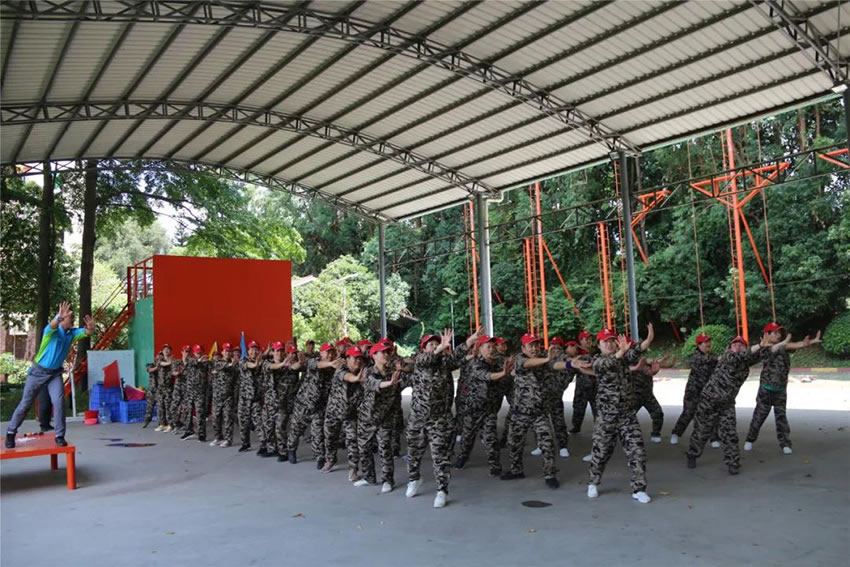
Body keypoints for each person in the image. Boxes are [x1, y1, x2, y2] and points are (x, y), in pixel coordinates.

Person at [6, 302, 94, 448]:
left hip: (54, 374)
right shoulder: (51, 331)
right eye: (70, 317)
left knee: (58, 403)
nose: (72, 319)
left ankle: (59, 436)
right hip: (37, 372)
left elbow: (87, 332)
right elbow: (52, 325)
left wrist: (91, 328)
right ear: (62, 319)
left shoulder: (71, 334)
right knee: (25, 404)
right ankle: (11, 433)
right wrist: (59, 317)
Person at [406, 329, 477, 508]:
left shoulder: (445, 363)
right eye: (430, 344)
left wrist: (470, 342)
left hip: (439, 418)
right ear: (423, 348)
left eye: (437, 343)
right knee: (414, 452)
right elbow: (428, 358)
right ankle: (414, 479)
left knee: (440, 456)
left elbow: (457, 355)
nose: (435, 346)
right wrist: (439, 349)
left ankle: (442, 490)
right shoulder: (420, 361)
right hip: (418, 417)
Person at [584, 325, 654, 504]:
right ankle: (593, 482)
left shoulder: (623, 357)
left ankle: (639, 489)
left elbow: (636, 351)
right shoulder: (597, 361)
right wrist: (621, 352)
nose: (609, 344)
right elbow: (608, 364)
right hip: (606, 417)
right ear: (598, 345)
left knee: (637, 451)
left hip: (626, 415)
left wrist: (648, 340)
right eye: (605, 342)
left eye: (611, 341)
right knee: (601, 452)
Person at [686, 336, 763, 474]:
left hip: (727, 403)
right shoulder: (728, 356)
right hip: (709, 400)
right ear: (729, 348)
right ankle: (693, 454)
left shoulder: (744, 363)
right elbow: (742, 355)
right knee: (701, 432)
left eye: (741, 345)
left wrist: (772, 344)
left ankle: (733, 463)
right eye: (734, 344)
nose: (738, 346)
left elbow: (761, 354)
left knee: (730, 433)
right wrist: (761, 344)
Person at [744, 323, 822, 455]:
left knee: (781, 419)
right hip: (766, 390)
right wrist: (784, 342)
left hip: (780, 390)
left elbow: (795, 345)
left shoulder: (783, 346)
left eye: (779, 333)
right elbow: (773, 350)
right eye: (775, 332)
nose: (779, 335)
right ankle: (750, 439)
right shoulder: (764, 348)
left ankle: (785, 443)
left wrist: (807, 343)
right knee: (758, 417)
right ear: (767, 334)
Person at [502, 333, 560, 489]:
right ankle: (516, 471)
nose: (534, 348)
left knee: (547, 444)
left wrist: (570, 364)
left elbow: (555, 365)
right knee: (514, 444)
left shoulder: (544, 359)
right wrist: (547, 359)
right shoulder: (519, 359)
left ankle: (550, 474)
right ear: (523, 348)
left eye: (536, 345)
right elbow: (528, 363)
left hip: (539, 413)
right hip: (520, 412)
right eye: (530, 346)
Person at [455, 334, 511, 479]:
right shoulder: (474, 364)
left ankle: (495, 466)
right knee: (468, 437)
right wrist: (503, 373)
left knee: (491, 437)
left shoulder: (498, 362)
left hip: (489, 408)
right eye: (488, 347)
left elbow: (513, 365)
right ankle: (462, 457)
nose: (492, 349)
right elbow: (487, 376)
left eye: (493, 346)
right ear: (480, 349)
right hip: (473, 408)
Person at [354, 342, 403, 493]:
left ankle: (388, 480)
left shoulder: (394, 372)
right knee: (364, 448)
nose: (386, 355)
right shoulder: (368, 372)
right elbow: (374, 383)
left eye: (388, 352)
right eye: (383, 352)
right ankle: (369, 477)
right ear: (374, 355)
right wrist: (390, 383)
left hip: (385, 417)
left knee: (385, 449)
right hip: (367, 417)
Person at [287, 342, 338, 467]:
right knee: (295, 430)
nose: (330, 355)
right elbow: (317, 365)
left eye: (332, 352)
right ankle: (291, 450)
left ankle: (319, 457)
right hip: (303, 404)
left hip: (318, 407)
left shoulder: (333, 368)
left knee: (317, 433)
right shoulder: (313, 361)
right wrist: (331, 364)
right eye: (327, 352)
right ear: (321, 353)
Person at [321, 346, 364, 480]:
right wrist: (356, 379)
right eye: (355, 358)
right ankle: (330, 460)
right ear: (348, 359)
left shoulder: (364, 372)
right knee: (330, 438)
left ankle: (353, 469)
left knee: (353, 440)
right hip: (333, 412)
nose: (358, 361)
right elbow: (347, 377)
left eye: (359, 358)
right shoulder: (341, 369)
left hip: (350, 414)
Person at [670, 333, 718, 445]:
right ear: (699, 345)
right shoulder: (695, 356)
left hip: (707, 392)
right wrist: (719, 358)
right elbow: (705, 359)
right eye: (705, 342)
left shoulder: (712, 357)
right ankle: (676, 433)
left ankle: (714, 438)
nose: (708, 344)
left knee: (711, 414)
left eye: (709, 341)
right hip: (693, 392)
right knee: (688, 413)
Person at [237, 341, 264, 452]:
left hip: (255, 398)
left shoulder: (262, 362)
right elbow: (251, 365)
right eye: (252, 349)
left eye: (256, 349)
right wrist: (257, 363)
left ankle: (264, 444)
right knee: (243, 422)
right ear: (248, 351)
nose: (254, 352)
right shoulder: (243, 361)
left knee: (259, 422)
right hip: (244, 398)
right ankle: (245, 443)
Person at [209, 343, 238, 447]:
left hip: (228, 396)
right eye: (226, 351)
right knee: (216, 418)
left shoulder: (235, 364)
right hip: (217, 396)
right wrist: (231, 364)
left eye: (229, 351)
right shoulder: (217, 362)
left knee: (227, 419)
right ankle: (218, 437)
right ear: (222, 352)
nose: (227, 353)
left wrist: (233, 364)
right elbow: (221, 366)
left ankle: (228, 439)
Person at [570, 330, 599, 433]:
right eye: (585, 339)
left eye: (589, 339)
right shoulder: (577, 352)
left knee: (597, 408)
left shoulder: (596, 350)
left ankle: (599, 427)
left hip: (595, 385)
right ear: (580, 341)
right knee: (578, 407)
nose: (588, 341)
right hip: (582, 385)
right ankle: (576, 426)